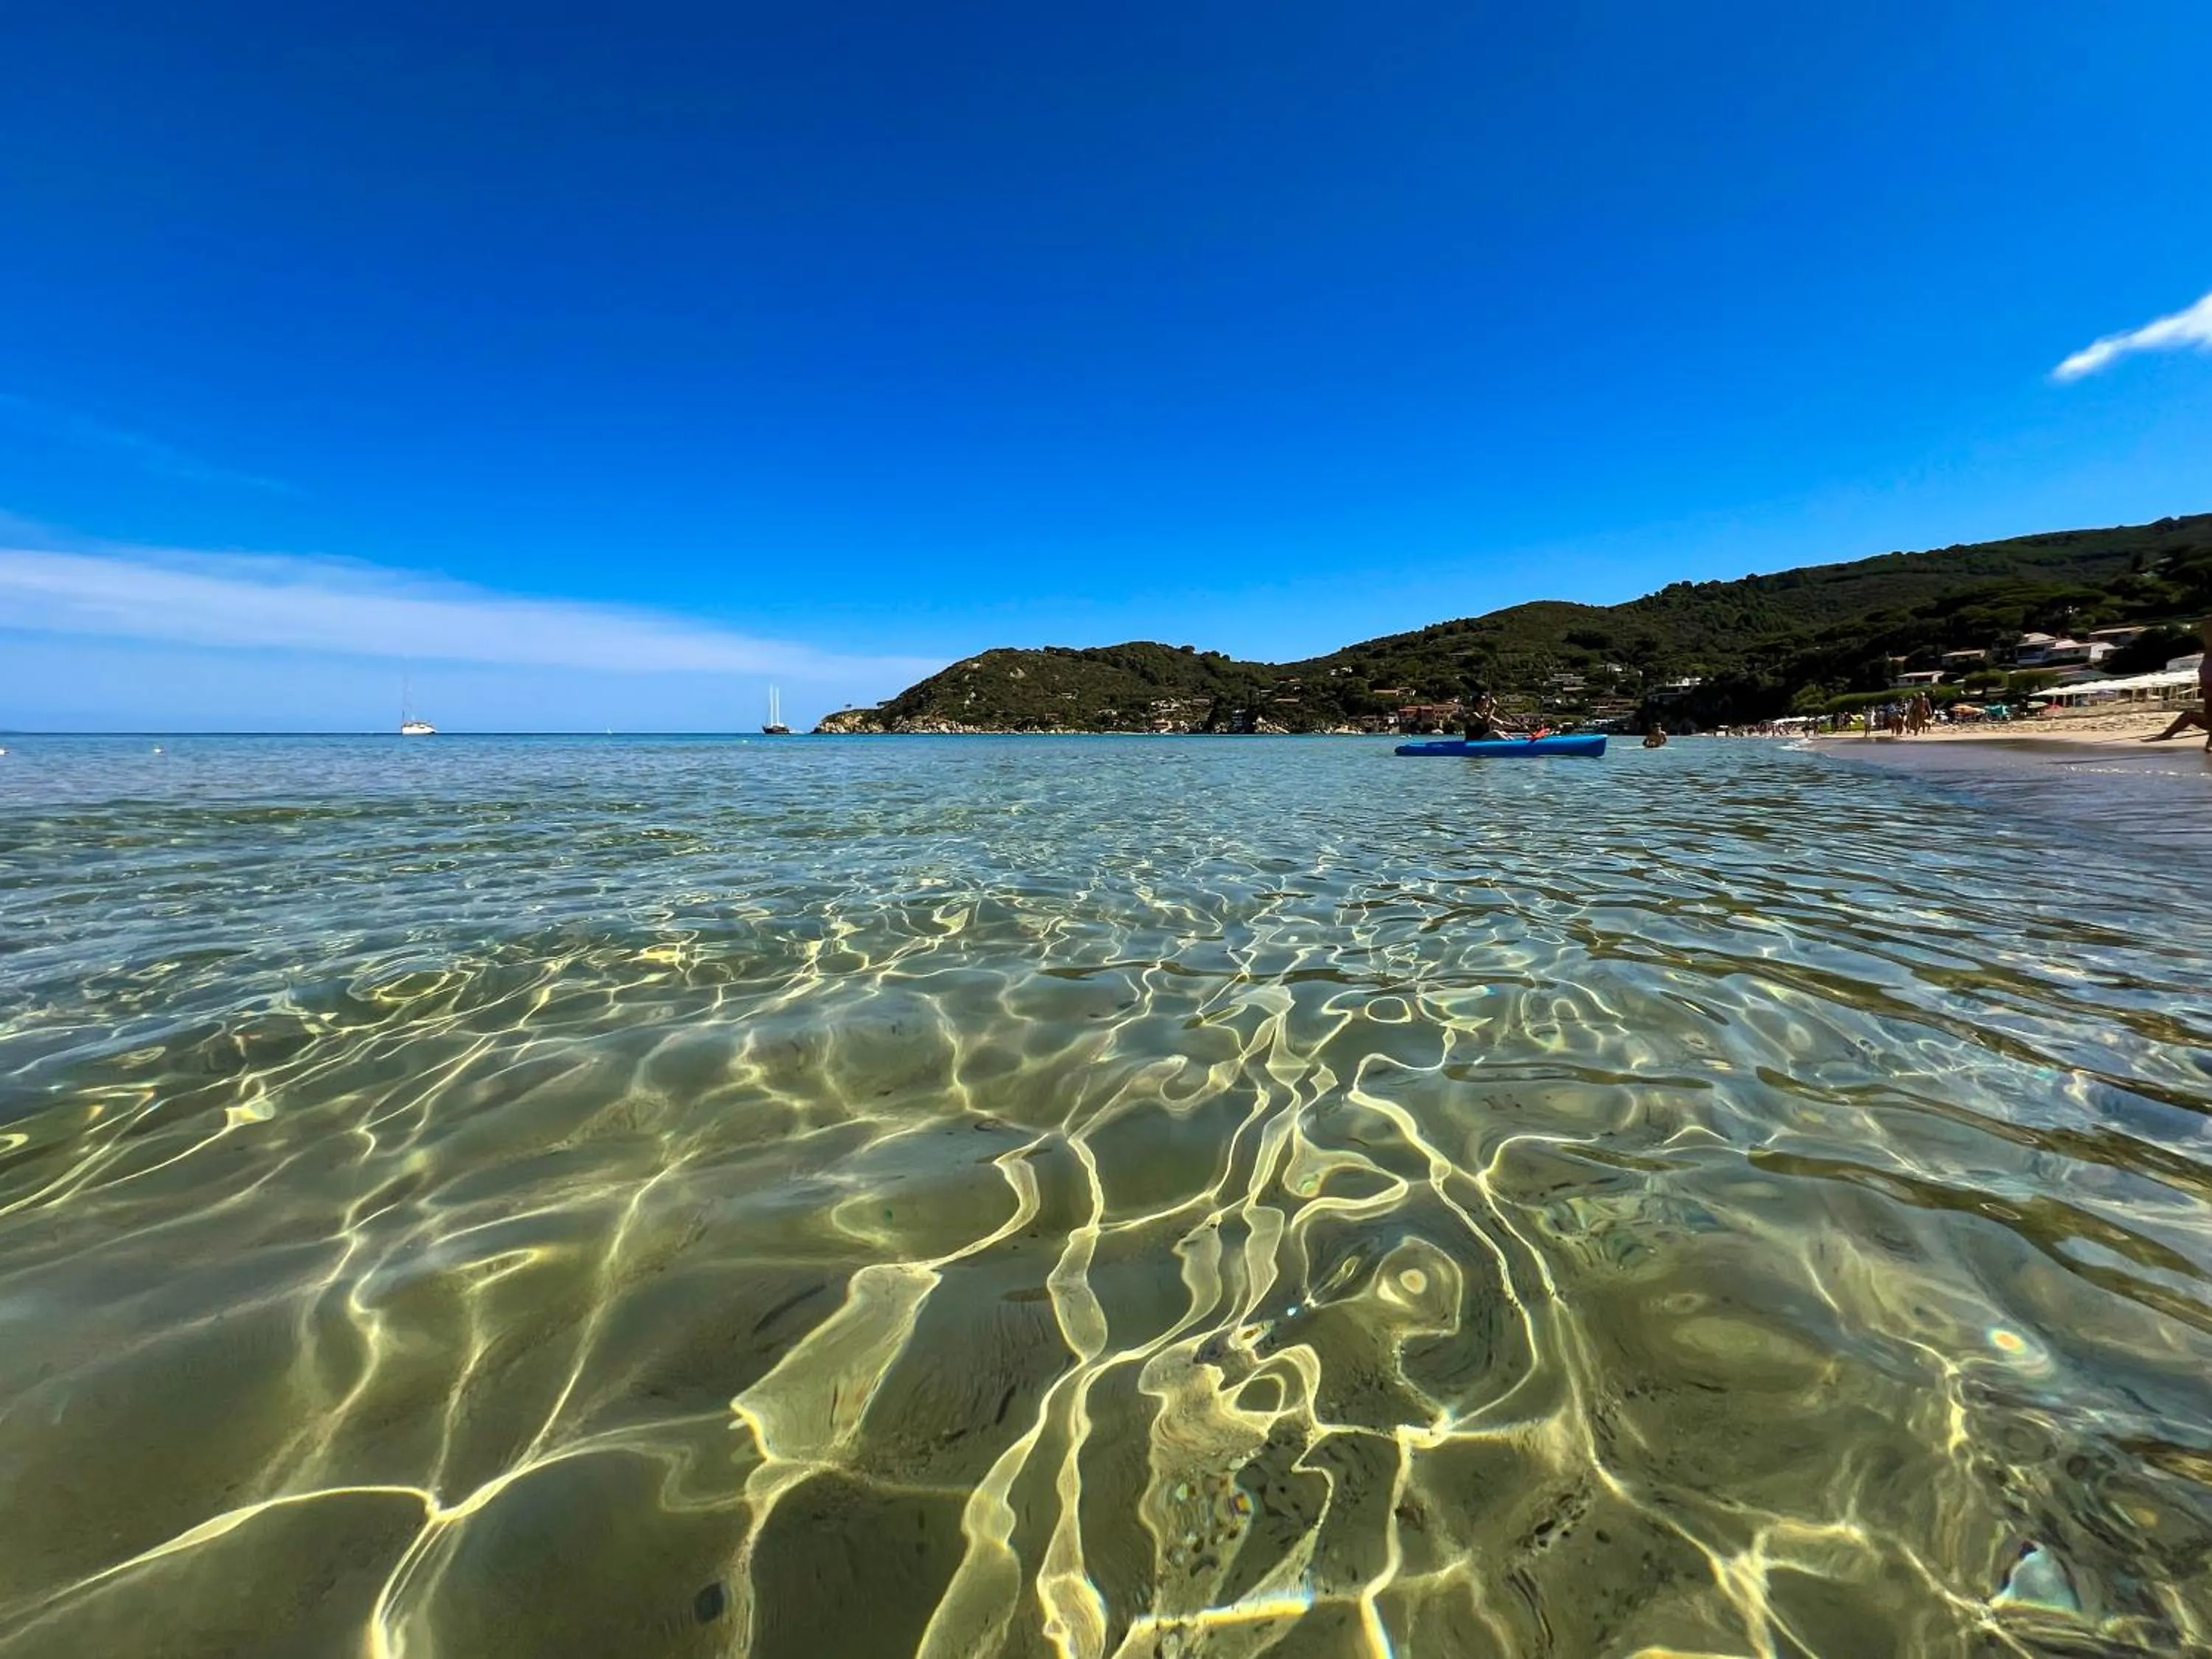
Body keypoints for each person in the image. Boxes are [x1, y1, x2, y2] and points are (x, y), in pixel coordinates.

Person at [2143, 616, 2212, 749]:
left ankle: (2164, 736)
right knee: (2205, 709)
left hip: (2207, 668)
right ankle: (2165, 736)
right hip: (2208, 669)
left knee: (2203, 709)